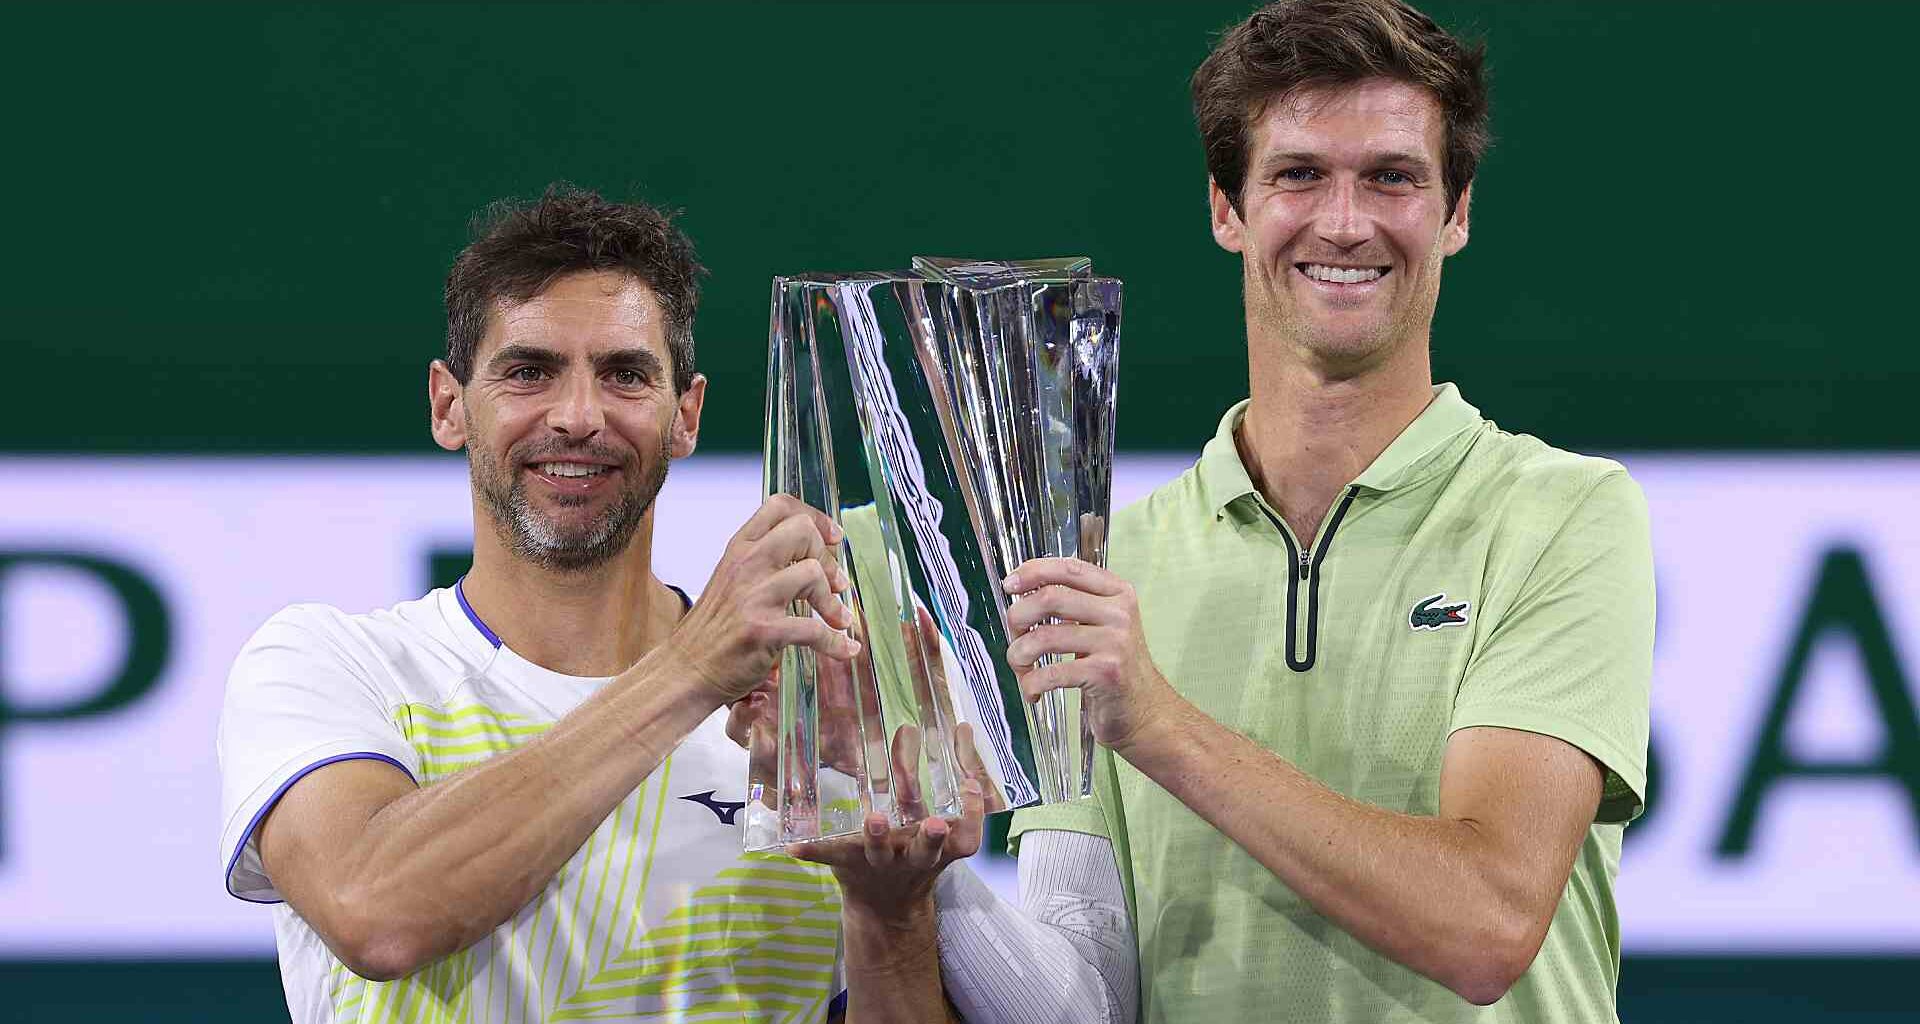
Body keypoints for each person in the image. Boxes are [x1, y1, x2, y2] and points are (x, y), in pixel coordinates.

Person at [827, 2, 1655, 1022]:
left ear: (1456, 213)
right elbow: (1079, 996)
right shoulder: (1115, 564)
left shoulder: (1564, 516)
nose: (1345, 222)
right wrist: (922, 862)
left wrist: (1162, 724)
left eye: (1392, 176)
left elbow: (1485, 924)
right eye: (1299, 174)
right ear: (1227, 209)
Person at [216, 185, 867, 1023]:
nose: (577, 417)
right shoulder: (331, 665)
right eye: (530, 372)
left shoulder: (817, 707)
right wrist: (695, 666)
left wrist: (897, 901)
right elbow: (373, 912)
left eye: (626, 375)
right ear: (450, 404)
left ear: (686, 414)